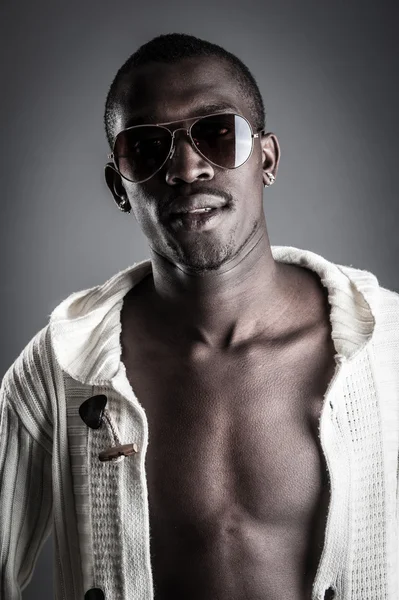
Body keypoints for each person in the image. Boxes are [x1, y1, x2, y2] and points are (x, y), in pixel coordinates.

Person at [0, 33, 398, 600]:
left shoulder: (387, 346)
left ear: (267, 159)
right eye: (146, 147)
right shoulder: (61, 367)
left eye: (217, 134)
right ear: (120, 186)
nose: (187, 169)